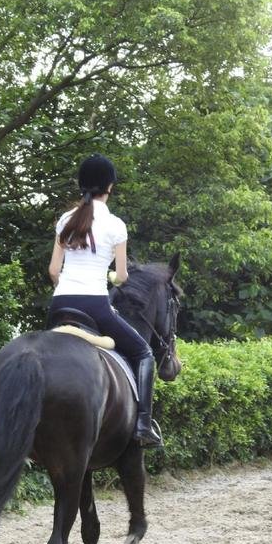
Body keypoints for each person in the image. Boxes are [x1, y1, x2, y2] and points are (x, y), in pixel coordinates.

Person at [47, 153, 162, 448]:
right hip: (95, 306)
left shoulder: (65, 220)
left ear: (81, 184)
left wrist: (65, 287)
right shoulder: (115, 225)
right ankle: (143, 425)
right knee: (144, 353)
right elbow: (122, 276)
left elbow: (53, 271)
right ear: (109, 186)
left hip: (60, 304)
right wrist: (110, 277)